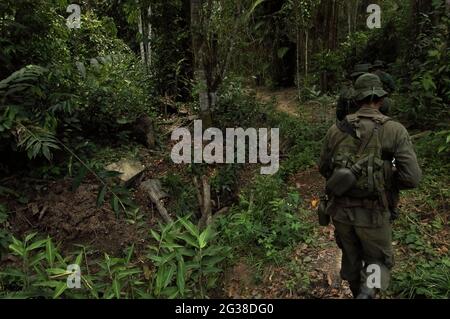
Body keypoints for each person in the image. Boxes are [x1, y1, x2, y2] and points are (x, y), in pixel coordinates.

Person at [318, 73, 422, 299]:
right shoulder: (394, 130)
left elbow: (324, 169)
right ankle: (367, 295)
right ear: (381, 100)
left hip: (342, 213)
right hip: (374, 214)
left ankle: (358, 293)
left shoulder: (336, 130)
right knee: (377, 261)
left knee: (351, 258)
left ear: (356, 100)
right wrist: (386, 178)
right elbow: (412, 178)